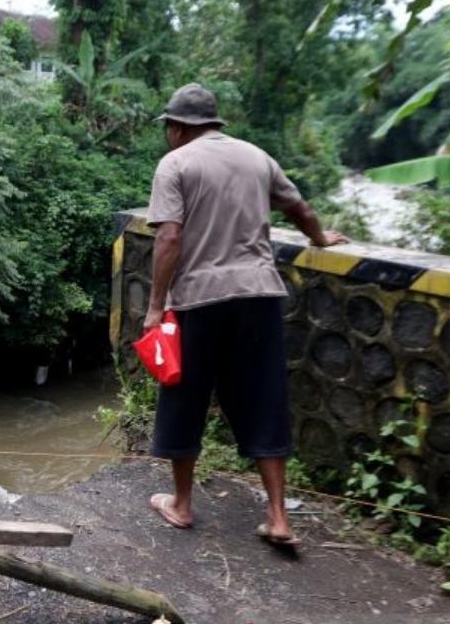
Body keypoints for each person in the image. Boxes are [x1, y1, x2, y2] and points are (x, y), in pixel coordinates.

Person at [143, 83, 348, 548]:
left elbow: (169, 238)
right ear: (214, 123)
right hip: (258, 296)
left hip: (199, 300)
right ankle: (278, 517)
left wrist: (155, 307)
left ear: (176, 128)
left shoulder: (174, 164)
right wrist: (319, 238)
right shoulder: (258, 157)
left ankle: (181, 504)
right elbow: (300, 207)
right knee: (264, 400)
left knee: (184, 399)